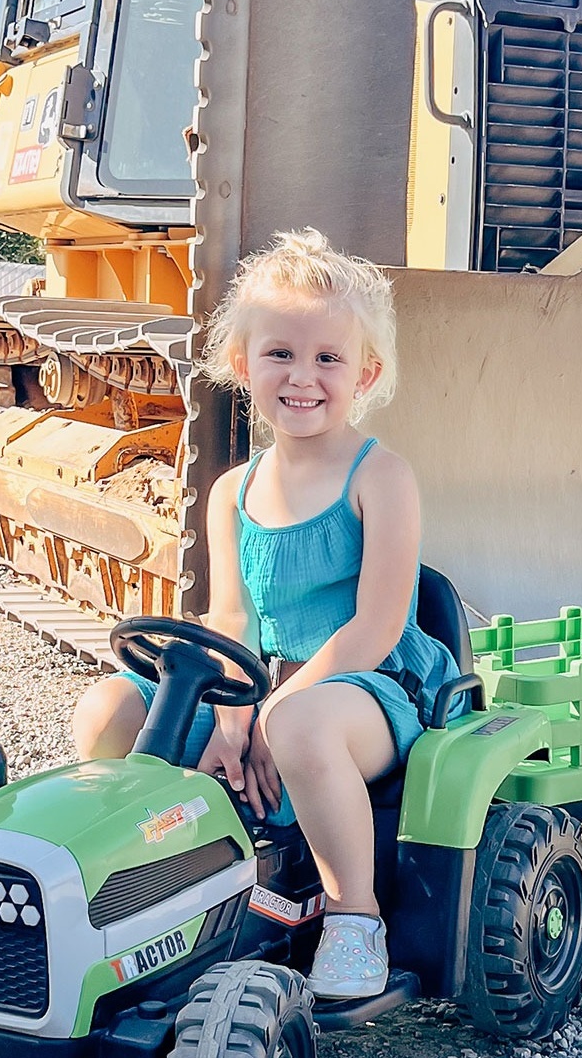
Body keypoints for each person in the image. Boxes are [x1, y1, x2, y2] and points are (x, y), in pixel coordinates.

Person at [70, 228, 462, 999]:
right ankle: (132, 892)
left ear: (366, 372)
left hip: (373, 689)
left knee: (303, 725)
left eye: (328, 358)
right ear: (244, 363)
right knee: (110, 703)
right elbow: (231, 617)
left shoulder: (381, 478)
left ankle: (356, 919)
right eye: (281, 353)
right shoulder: (232, 491)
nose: (303, 376)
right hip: (261, 689)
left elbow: (374, 626)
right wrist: (230, 714)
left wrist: (273, 710)